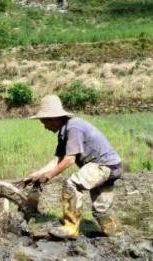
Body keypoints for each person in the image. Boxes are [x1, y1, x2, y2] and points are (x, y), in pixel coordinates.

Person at [23, 95, 122, 239]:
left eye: (44, 122)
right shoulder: (65, 131)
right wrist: (37, 174)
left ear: (54, 118)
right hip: (112, 166)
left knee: (72, 184)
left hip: (103, 165)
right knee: (101, 210)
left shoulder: (73, 127)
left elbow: (69, 160)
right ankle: (116, 236)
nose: (44, 127)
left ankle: (70, 227)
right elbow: (59, 159)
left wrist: (50, 175)